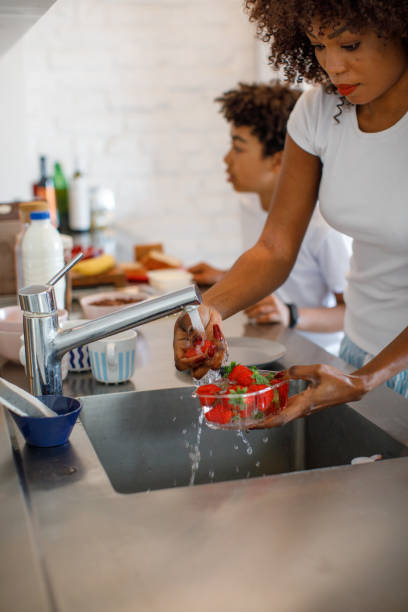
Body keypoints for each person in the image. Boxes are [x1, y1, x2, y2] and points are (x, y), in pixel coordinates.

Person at [174, 0, 408, 425]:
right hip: (356, 354)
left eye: (350, 44)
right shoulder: (319, 111)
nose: (333, 66)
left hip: (379, 369)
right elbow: (275, 249)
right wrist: (209, 310)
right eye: (318, 46)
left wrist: (371, 377)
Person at [188, 82, 351, 355]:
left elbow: (350, 313)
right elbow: (277, 272)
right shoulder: (249, 203)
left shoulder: (324, 226)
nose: (226, 159)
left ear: (279, 161)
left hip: (314, 356)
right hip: (267, 347)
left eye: (238, 148)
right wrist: (226, 275)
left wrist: (292, 314)